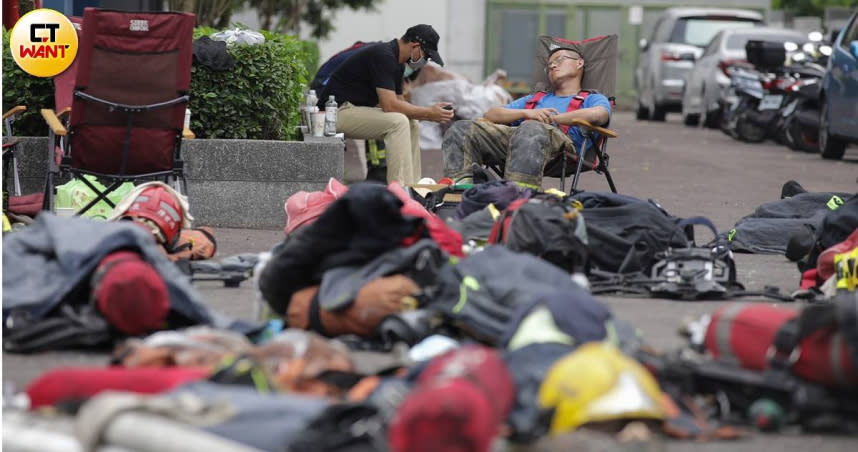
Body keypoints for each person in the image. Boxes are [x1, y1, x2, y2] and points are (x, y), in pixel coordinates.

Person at [441, 46, 612, 189]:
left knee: (531, 128)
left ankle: (517, 194)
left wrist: (553, 119)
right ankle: (458, 192)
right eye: (550, 64)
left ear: (579, 63)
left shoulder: (591, 98)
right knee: (462, 129)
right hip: (516, 141)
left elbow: (599, 114)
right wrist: (527, 113)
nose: (552, 66)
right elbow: (491, 115)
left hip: (561, 150)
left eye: (559, 60)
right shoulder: (535, 99)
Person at [319, 24, 454, 185]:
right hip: (333, 113)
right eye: (426, 55)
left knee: (412, 123)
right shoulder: (383, 55)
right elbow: (389, 105)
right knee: (398, 122)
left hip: (352, 110)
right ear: (415, 46)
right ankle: (399, 189)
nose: (425, 61)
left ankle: (413, 186)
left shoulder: (397, 62)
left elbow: (399, 102)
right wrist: (428, 112)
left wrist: (429, 113)